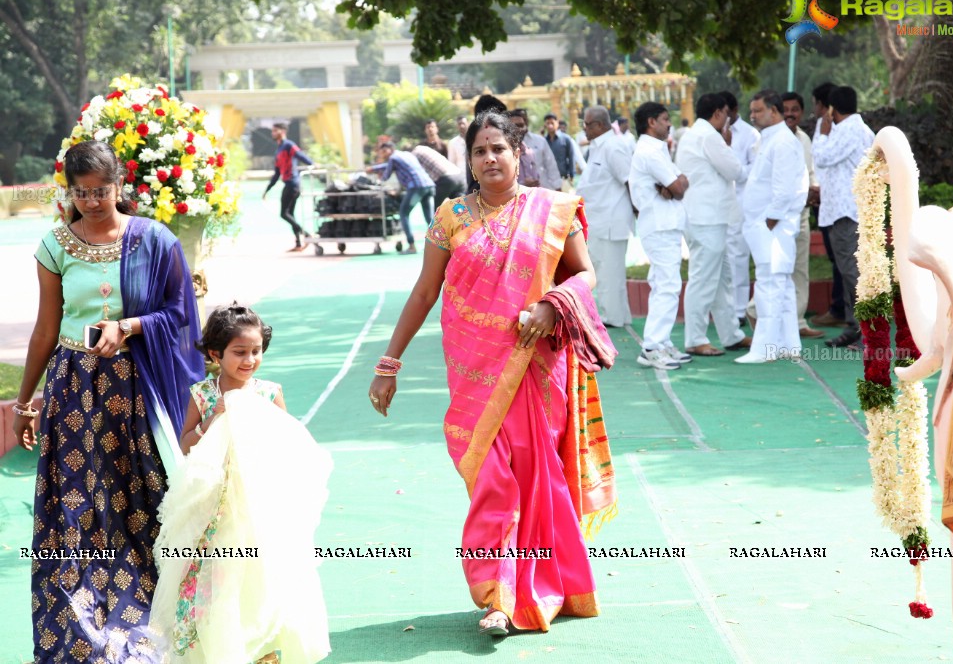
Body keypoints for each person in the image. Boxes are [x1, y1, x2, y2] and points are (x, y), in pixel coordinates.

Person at [368, 110, 618, 637]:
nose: (490, 159)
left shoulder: (553, 210)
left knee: (532, 478)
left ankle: (529, 592)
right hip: (474, 373)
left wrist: (553, 304)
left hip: (535, 366)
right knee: (492, 482)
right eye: (480, 151)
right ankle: (498, 593)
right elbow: (423, 292)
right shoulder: (451, 217)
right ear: (470, 160)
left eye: (498, 148)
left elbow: (587, 273)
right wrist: (389, 363)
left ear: (518, 152)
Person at [11, 140, 205, 661]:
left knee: (143, 504)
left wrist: (129, 326)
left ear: (120, 185)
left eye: (103, 190)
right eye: (83, 192)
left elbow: (180, 313)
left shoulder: (154, 240)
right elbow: (45, 329)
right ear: (69, 192)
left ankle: (155, 620)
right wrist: (25, 403)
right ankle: (77, 636)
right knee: (73, 512)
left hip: (137, 389)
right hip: (72, 393)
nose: (94, 201)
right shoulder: (53, 246)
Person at [149, 304, 331, 663]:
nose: (249, 360)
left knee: (265, 569)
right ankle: (218, 646)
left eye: (256, 351)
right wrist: (211, 420)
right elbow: (186, 442)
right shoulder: (203, 394)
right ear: (216, 354)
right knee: (219, 571)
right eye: (240, 352)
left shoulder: (267, 392)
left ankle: (267, 647)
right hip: (214, 502)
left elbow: (288, 441)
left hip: (260, 500)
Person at [674, 93, 751, 357]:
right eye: (726, 116)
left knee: (721, 279)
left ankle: (731, 334)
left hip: (707, 217)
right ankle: (695, 338)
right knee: (705, 279)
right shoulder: (709, 136)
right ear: (718, 113)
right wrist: (727, 145)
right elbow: (735, 171)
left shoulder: (696, 133)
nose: (728, 121)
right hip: (706, 217)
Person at [735, 90, 809, 364]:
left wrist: (770, 220)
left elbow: (785, 189)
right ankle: (789, 344)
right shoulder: (771, 139)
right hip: (766, 225)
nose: (752, 116)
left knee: (770, 284)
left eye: (757, 111)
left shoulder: (783, 142)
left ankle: (764, 349)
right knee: (781, 285)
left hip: (773, 226)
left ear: (774, 111)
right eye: (752, 111)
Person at [744, 92, 824, 339]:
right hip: (773, 217)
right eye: (786, 109)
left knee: (797, 269)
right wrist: (769, 220)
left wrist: (813, 189)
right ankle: (757, 314)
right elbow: (764, 183)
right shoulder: (764, 141)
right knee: (772, 271)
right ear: (777, 111)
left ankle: (797, 323)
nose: (790, 114)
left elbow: (809, 173)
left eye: (795, 109)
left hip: (796, 213)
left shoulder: (802, 139)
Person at [628, 101, 692, 370]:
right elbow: (678, 186)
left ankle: (661, 341)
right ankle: (652, 346)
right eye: (665, 119)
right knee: (667, 285)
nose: (669, 124)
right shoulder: (649, 151)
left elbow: (679, 184)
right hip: (660, 224)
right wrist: (675, 185)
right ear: (651, 122)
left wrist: (675, 185)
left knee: (662, 283)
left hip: (664, 223)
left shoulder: (656, 148)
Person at [812, 85, 876, 350]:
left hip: (847, 212)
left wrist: (822, 134)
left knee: (853, 272)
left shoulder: (849, 130)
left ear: (831, 109)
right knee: (848, 270)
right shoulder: (860, 130)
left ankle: (870, 334)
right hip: (844, 209)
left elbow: (822, 157)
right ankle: (854, 327)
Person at [576, 105, 634, 328]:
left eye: (587, 124)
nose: (584, 129)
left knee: (609, 275)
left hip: (611, 220)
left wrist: (638, 211)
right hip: (598, 220)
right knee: (606, 273)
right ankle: (619, 317)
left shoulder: (613, 146)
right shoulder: (599, 147)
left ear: (599, 125)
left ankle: (612, 320)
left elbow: (630, 181)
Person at [808, 81, 847, 328]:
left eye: (816, 104)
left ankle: (842, 310)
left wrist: (823, 134)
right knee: (837, 258)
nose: (815, 109)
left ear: (826, 106)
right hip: (823, 199)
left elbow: (824, 160)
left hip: (835, 201)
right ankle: (839, 308)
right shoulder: (825, 127)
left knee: (842, 259)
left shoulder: (835, 129)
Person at [719, 91, 760, 326]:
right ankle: (725, 308)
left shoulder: (749, 134)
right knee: (721, 258)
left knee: (738, 256)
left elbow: (749, 173)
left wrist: (728, 156)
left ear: (733, 112)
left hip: (742, 203)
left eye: (724, 113)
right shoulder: (714, 135)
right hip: (719, 204)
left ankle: (739, 310)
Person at [366, 142, 436, 255]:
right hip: (429, 185)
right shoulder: (407, 155)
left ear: (391, 149)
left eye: (384, 151)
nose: (383, 154)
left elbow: (386, 174)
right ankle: (439, 247)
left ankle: (412, 246)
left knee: (403, 213)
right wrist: (374, 168)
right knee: (430, 219)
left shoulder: (393, 158)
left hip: (416, 187)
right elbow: (387, 166)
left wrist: (379, 176)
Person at [263, 122, 314, 252]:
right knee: (290, 213)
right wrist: (267, 189)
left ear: (282, 131)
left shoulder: (288, 145)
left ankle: (306, 234)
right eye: (272, 131)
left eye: (275, 131)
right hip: (288, 183)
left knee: (284, 214)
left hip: (293, 183)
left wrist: (312, 164)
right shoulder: (278, 150)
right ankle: (298, 243)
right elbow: (277, 174)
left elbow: (300, 155)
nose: (273, 133)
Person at [508, 109, 562, 191]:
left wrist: (557, 187)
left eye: (521, 124)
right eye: (514, 126)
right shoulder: (504, 148)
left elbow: (551, 165)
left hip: (543, 191)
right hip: (517, 196)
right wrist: (522, 184)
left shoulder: (540, 141)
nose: (518, 129)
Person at [543, 113, 576, 189]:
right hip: (548, 179)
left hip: (563, 177)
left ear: (557, 123)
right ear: (545, 125)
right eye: (548, 123)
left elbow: (571, 157)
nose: (550, 125)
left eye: (552, 123)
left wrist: (572, 175)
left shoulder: (566, 139)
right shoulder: (543, 140)